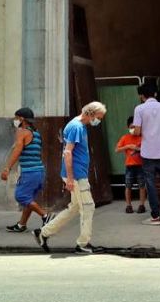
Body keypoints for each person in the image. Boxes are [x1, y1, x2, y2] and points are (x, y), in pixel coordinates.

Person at [33, 102, 107, 254]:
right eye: (99, 117)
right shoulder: (76, 127)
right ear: (91, 114)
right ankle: (83, 244)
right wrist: (71, 178)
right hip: (77, 175)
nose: (98, 121)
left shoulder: (79, 126)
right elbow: (67, 153)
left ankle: (43, 232)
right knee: (88, 207)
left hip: (77, 174)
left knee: (74, 208)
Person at [132, 83, 160, 225]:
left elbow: (137, 131)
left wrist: (134, 131)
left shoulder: (139, 109)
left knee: (150, 183)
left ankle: (155, 216)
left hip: (147, 152)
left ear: (141, 96)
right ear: (155, 94)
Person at [1, 108, 51, 232]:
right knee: (28, 200)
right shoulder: (36, 133)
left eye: (16, 118)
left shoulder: (21, 131)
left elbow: (17, 150)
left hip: (30, 172)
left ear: (22, 119)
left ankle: (46, 216)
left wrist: (7, 168)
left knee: (21, 196)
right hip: (39, 172)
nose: (15, 120)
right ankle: (21, 225)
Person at [115, 116, 146, 214]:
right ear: (128, 127)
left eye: (135, 127)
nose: (133, 129)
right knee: (128, 186)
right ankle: (128, 205)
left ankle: (142, 205)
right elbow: (117, 150)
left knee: (142, 186)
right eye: (131, 127)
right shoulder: (125, 138)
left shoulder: (142, 137)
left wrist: (138, 149)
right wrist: (128, 146)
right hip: (129, 166)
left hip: (141, 165)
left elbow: (147, 149)